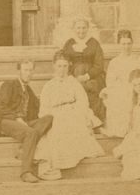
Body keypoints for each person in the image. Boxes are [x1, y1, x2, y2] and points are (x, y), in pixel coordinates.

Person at [32, 51, 103, 180]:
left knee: (68, 123)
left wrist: (73, 111)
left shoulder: (74, 83)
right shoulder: (49, 86)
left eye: (65, 66)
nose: (62, 69)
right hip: (54, 115)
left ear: (69, 66)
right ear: (54, 66)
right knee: (54, 128)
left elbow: (83, 103)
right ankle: (52, 166)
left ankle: (66, 160)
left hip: (73, 113)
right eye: (59, 66)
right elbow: (44, 109)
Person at [0, 59, 53, 183]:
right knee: (31, 133)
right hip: (5, 121)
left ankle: (23, 148)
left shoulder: (28, 90)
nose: (28, 73)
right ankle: (26, 172)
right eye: (25, 70)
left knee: (49, 119)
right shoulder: (9, 85)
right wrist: (17, 117)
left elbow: (38, 109)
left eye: (31, 70)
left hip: (22, 124)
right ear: (19, 72)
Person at [100, 29, 140, 137]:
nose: (126, 46)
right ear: (119, 44)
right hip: (120, 89)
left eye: (129, 43)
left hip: (137, 87)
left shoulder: (139, 59)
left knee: (130, 95)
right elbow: (110, 81)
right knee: (116, 96)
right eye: (123, 44)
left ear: (132, 43)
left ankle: (131, 129)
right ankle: (118, 129)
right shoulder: (114, 62)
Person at [59, 16, 106, 119]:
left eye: (84, 28)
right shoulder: (69, 43)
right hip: (73, 76)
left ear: (88, 28)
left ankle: (95, 121)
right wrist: (71, 76)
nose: (81, 30)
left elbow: (99, 65)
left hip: (92, 76)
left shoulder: (94, 43)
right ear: (74, 29)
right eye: (78, 28)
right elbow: (64, 61)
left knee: (91, 91)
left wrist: (87, 76)